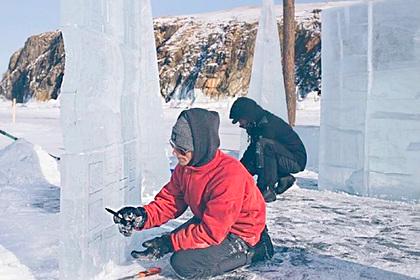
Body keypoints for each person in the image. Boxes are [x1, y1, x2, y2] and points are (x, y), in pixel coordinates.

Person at [113, 108, 273, 279]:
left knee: (184, 263)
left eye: (182, 150)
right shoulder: (187, 168)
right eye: (174, 147)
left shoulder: (228, 176)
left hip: (241, 231)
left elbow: (212, 232)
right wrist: (142, 216)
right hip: (213, 220)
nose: (175, 153)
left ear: (201, 147)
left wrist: (169, 243)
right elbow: (170, 201)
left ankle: (256, 250)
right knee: (179, 242)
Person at [229, 97, 307, 203]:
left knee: (264, 147)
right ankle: (283, 178)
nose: (240, 124)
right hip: (283, 156)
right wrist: (238, 173)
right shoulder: (258, 123)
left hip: (296, 160)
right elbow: (252, 154)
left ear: (247, 115)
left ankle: (266, 190)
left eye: (240, 120)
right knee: (259, 151)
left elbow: (264, 158)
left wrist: (261, 185)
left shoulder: (267, 125)